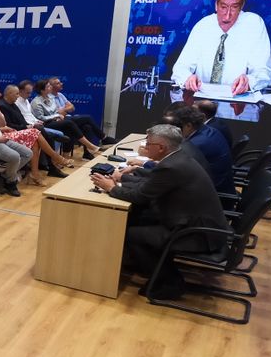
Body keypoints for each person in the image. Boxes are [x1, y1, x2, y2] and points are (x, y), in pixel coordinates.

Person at [90, 125, 228, 298]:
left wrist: (111, 188)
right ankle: (143, 264)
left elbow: (141, 196)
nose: (144, 147)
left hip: (196, 234)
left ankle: (169, 282)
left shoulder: (171, 166)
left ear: (161, 147)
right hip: (196, 223)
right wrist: (122, 179)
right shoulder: (178, 158)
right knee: (139, 217)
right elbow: (151, 184)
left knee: (131, 233)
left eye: (148, 144)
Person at [170, 0, 271, 95]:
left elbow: (264, 73)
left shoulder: (254, 24)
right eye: (223, 7)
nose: (227, 15)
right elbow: (180, 68)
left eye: (234, 7)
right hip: (202, 102)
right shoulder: (203, 26)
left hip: (237, 102)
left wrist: (249, 82)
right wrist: (187, 78)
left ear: (242, 5)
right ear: (216, 4)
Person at [170, 104, 235, 192]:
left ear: (188, 126)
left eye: (177, 126)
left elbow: (176, 170)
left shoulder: (196, 144)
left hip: (213, 192)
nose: (176, 130)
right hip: (219, 184)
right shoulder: (209, 130)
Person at [33, 77, 107, 150]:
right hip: (46, 124)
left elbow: (60, 110)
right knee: (71, 123)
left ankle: (74, 154)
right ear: (42, 90)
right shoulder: (37, 102)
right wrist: (57, 116)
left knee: (83, 126)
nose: (50, 87)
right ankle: (94, 144)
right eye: (48, 86)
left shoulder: (49, 98)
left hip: (56, 120)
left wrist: (58, 116)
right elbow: (41, 118)